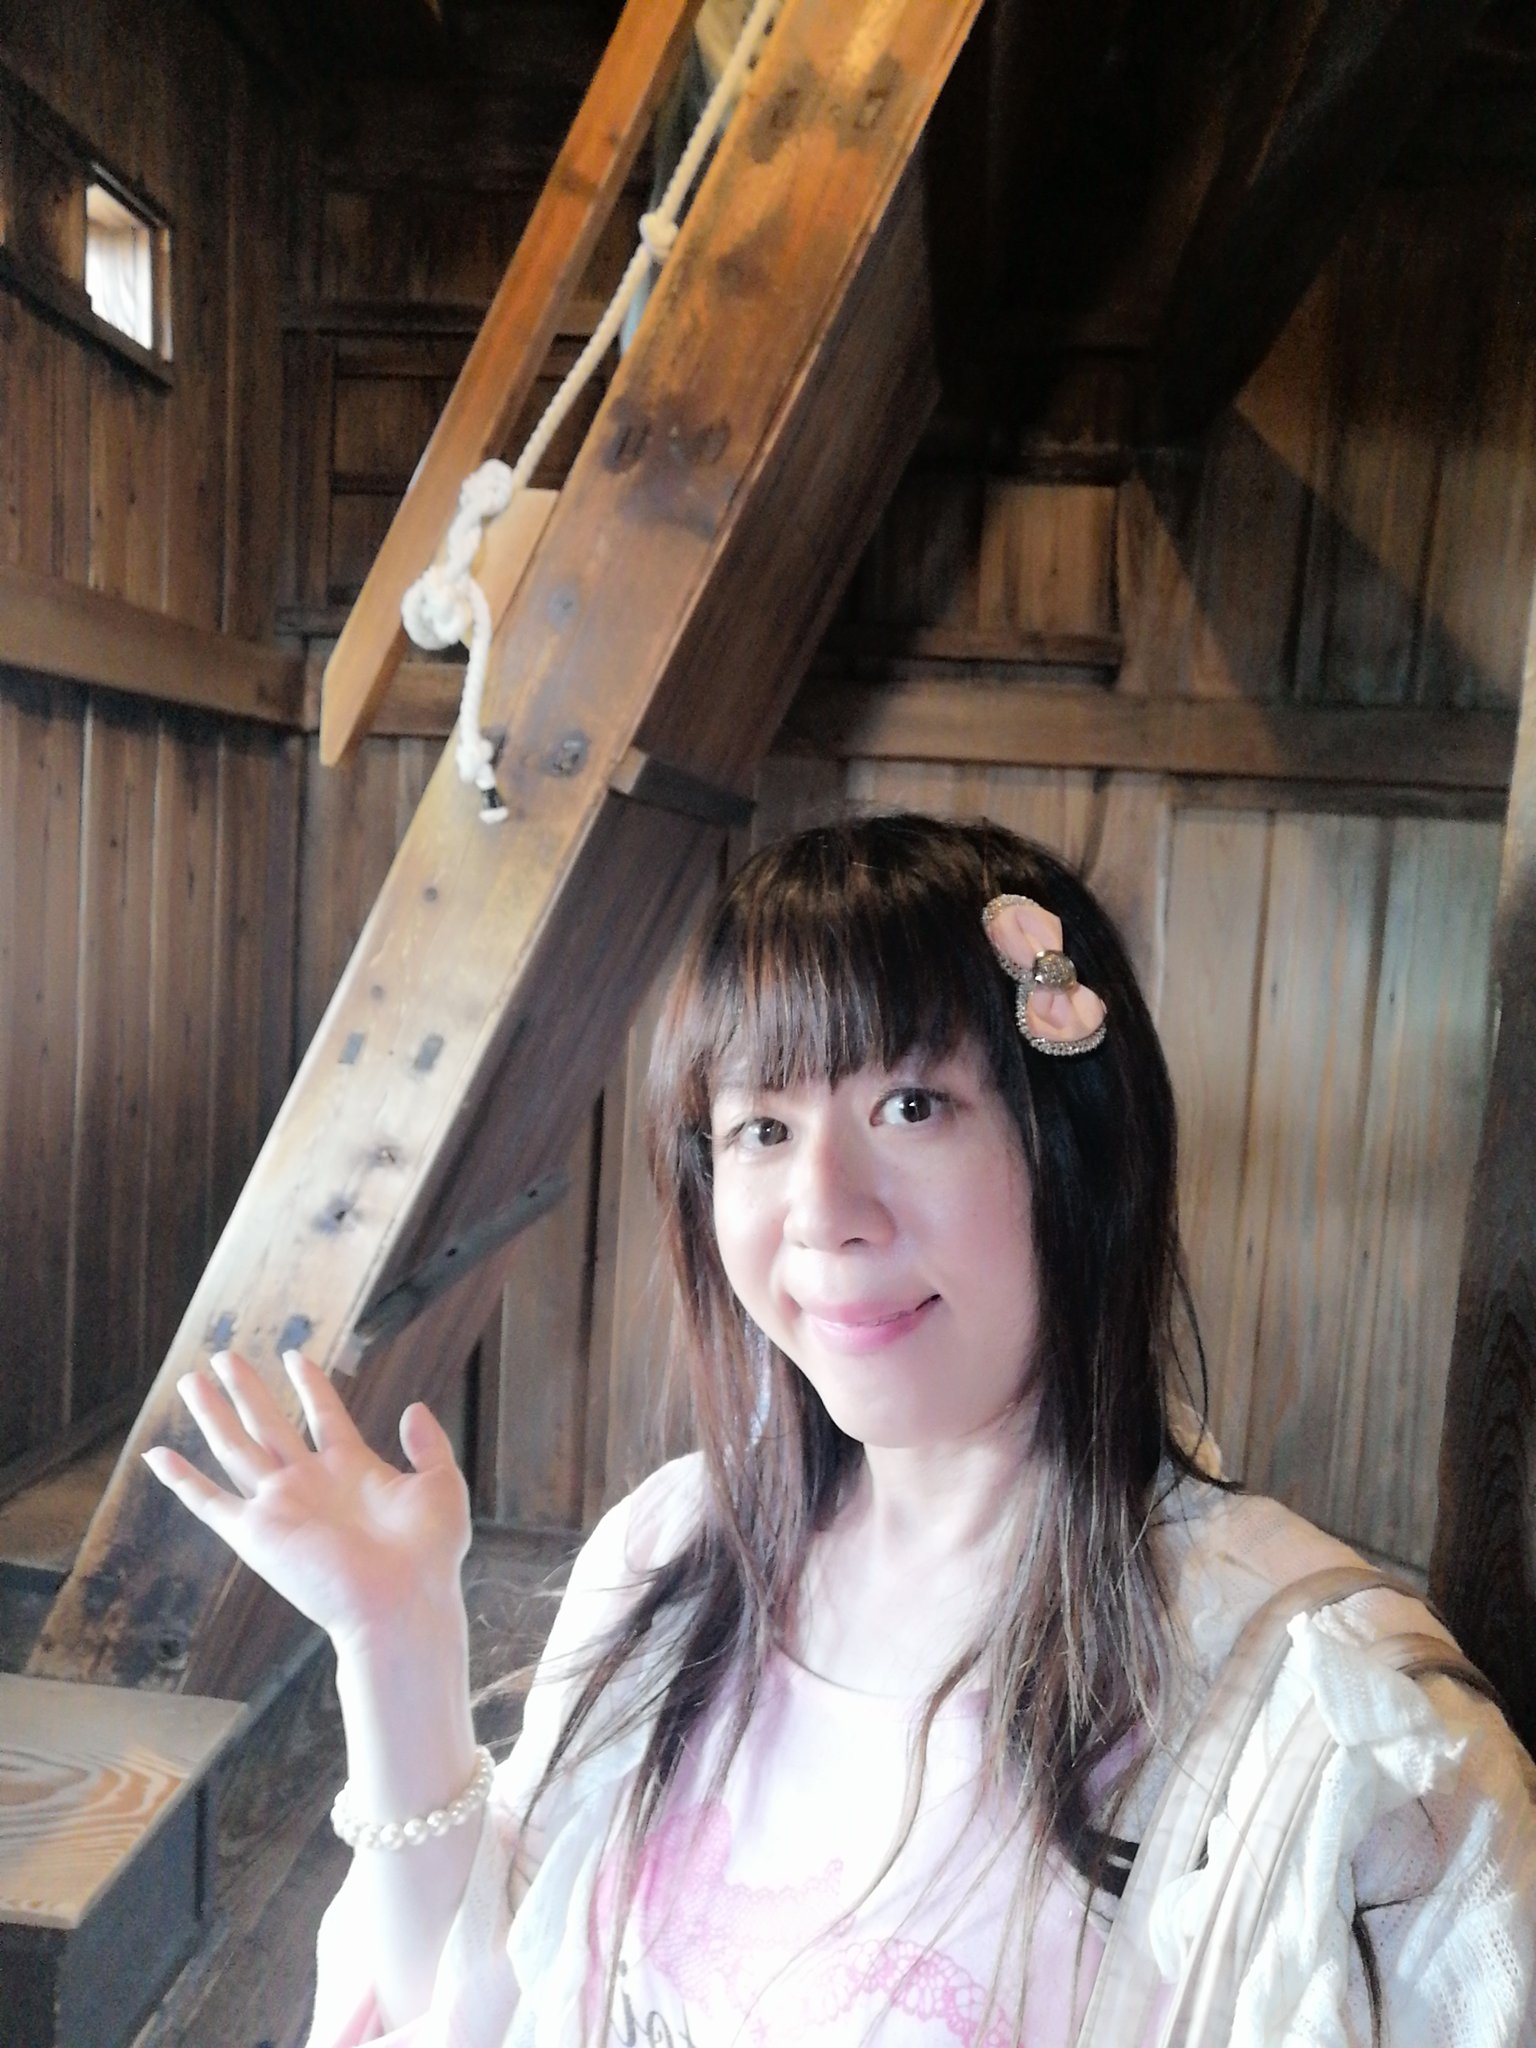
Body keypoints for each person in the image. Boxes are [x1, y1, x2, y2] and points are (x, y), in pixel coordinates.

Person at [145, 813, 1536, 2047]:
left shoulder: (1343, 1732)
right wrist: (397, 1640)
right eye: (760, 1128)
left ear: (1079, 1152)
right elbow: (469, 2005)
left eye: (912, 1106)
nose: (823, 1208)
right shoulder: (670, 1556)